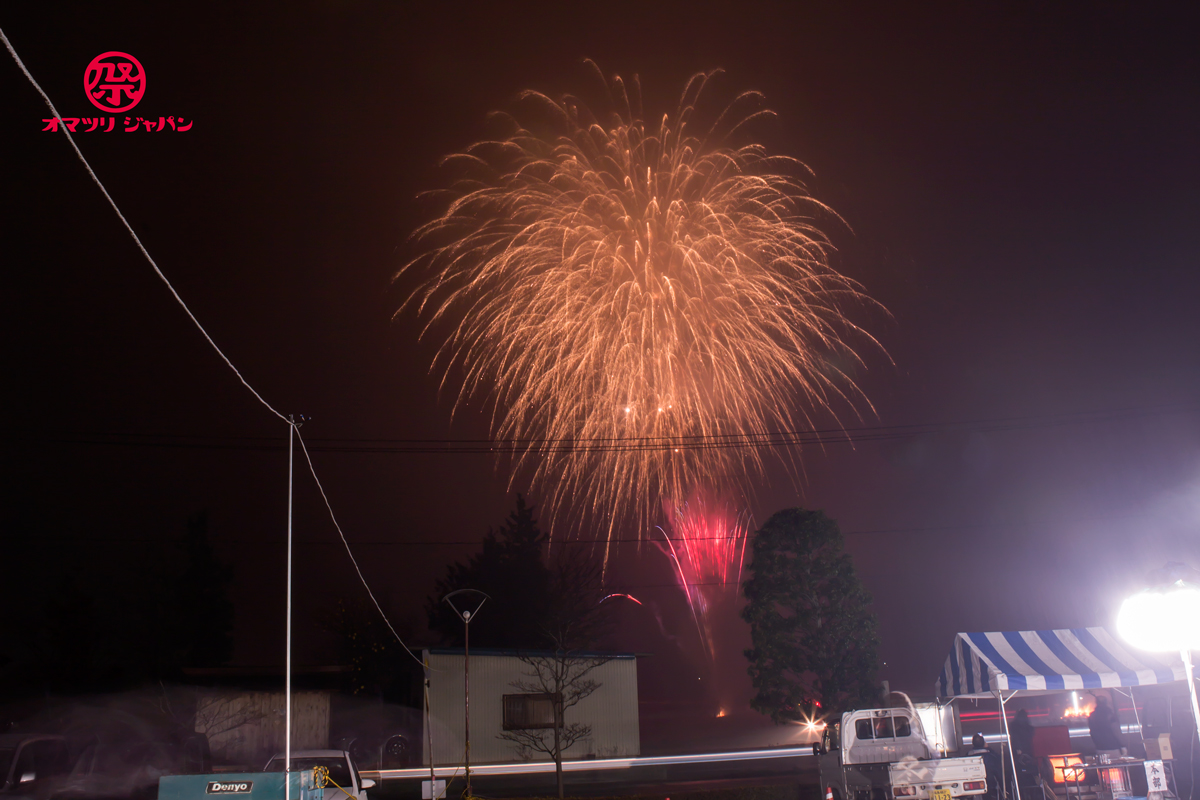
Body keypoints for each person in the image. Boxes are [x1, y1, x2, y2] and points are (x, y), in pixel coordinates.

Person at [969, 734, 1002, 800]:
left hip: (974, 784)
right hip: (991, 784)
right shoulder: (992, 756)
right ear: (984, 743)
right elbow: (999, 770)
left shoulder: (968, 756)